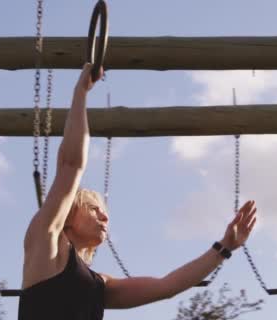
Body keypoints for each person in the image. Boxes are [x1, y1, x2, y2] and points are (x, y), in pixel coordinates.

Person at [18, 63, 259, 320]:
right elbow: (70, 165)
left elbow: (166, 286)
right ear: (68, 215)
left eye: (103, 211)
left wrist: (224, 247)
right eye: (94, 208)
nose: (104, 216)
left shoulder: (100, 285)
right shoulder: (45, 245)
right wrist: (81, 93)